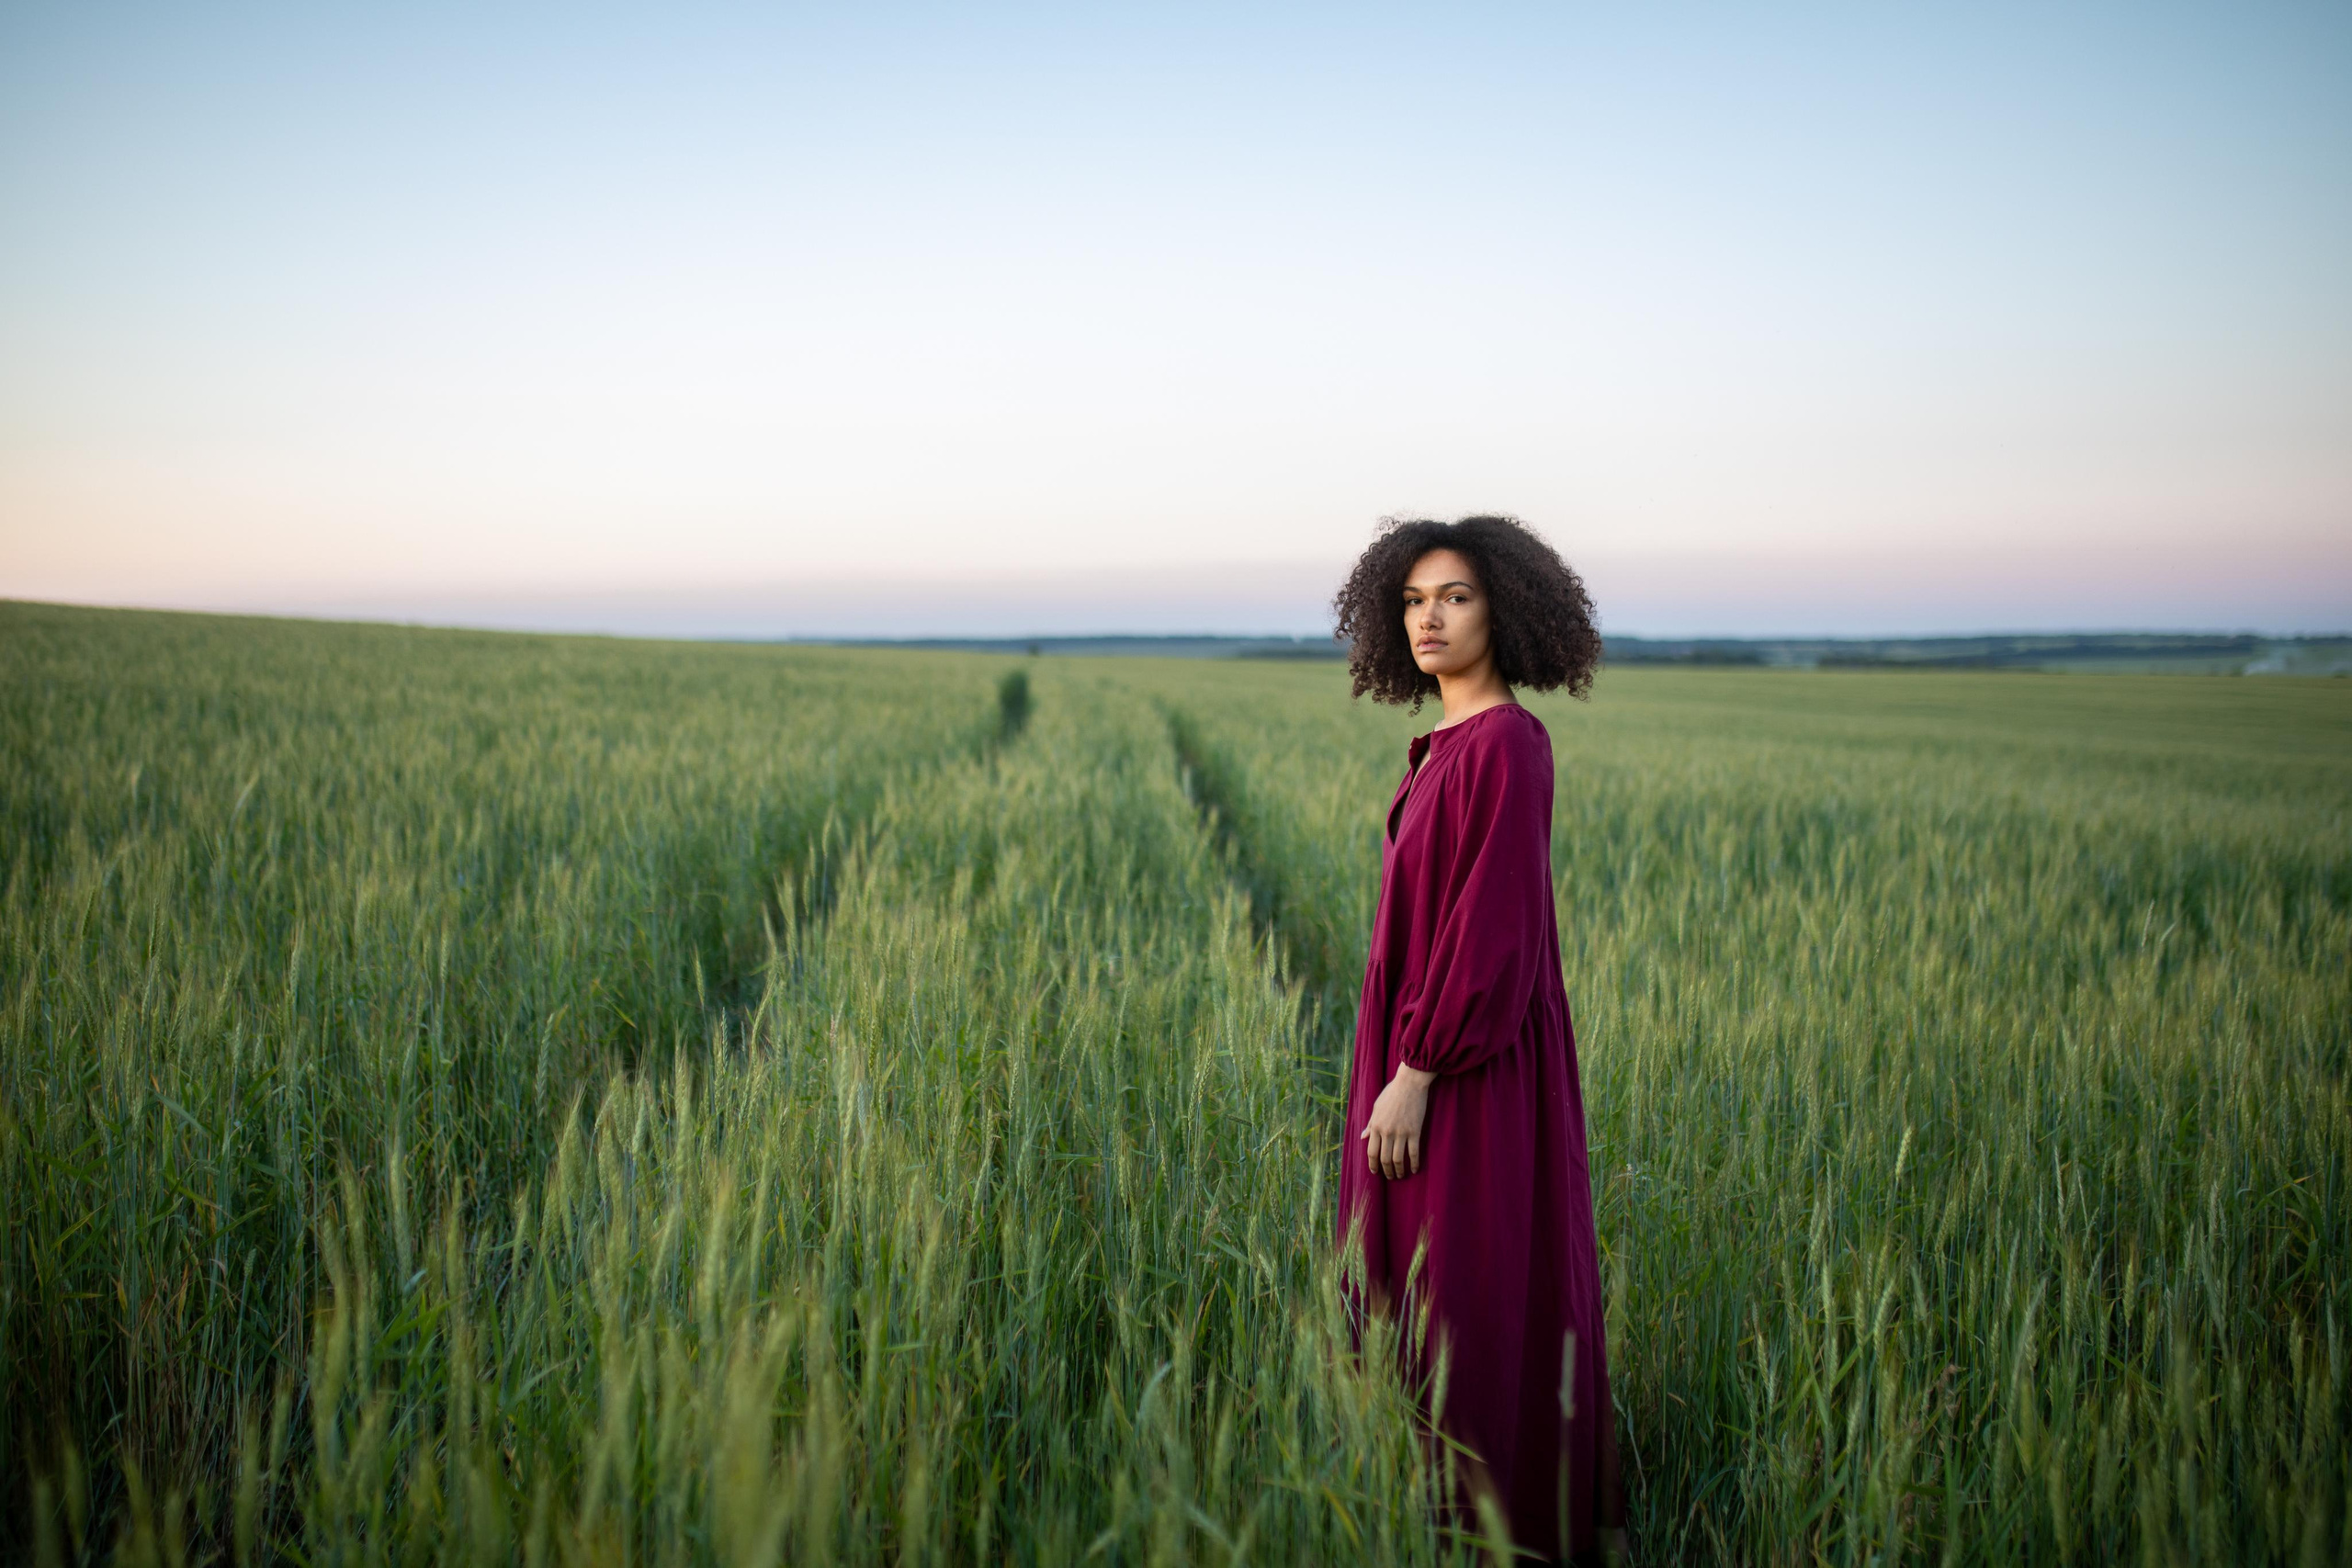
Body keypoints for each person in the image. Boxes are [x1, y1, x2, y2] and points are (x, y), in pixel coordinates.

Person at [1331, 514, 1626, 1565]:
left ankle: (1496, 1529)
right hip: (1428, 1056)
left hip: (1463, 1068)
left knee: (1469, 1291)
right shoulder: (1444, 746)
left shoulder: (1504, 743)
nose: (1429, 618)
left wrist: (1415, 1071)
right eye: (1411, 600)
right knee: (1421, 1292)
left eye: (1452, 595)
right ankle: (1425, 1518)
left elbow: (1491, 932)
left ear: (1505, 606)